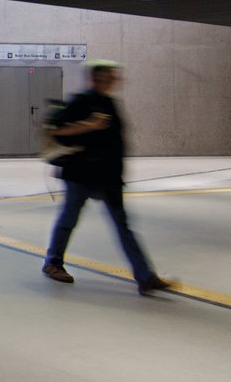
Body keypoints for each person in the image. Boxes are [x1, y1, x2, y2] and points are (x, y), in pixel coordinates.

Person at [41, 61, 172, 295]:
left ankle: (145, 277)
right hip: (80, 176)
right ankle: (53, 263)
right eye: (107, 77)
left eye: (113, 77)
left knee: (124, 227)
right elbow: (55, 129)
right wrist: (89, 125)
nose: (112, 80)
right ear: (94, 78)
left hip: (109, 178)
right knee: (68, 220)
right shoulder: (80, 101)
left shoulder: (111, 102)